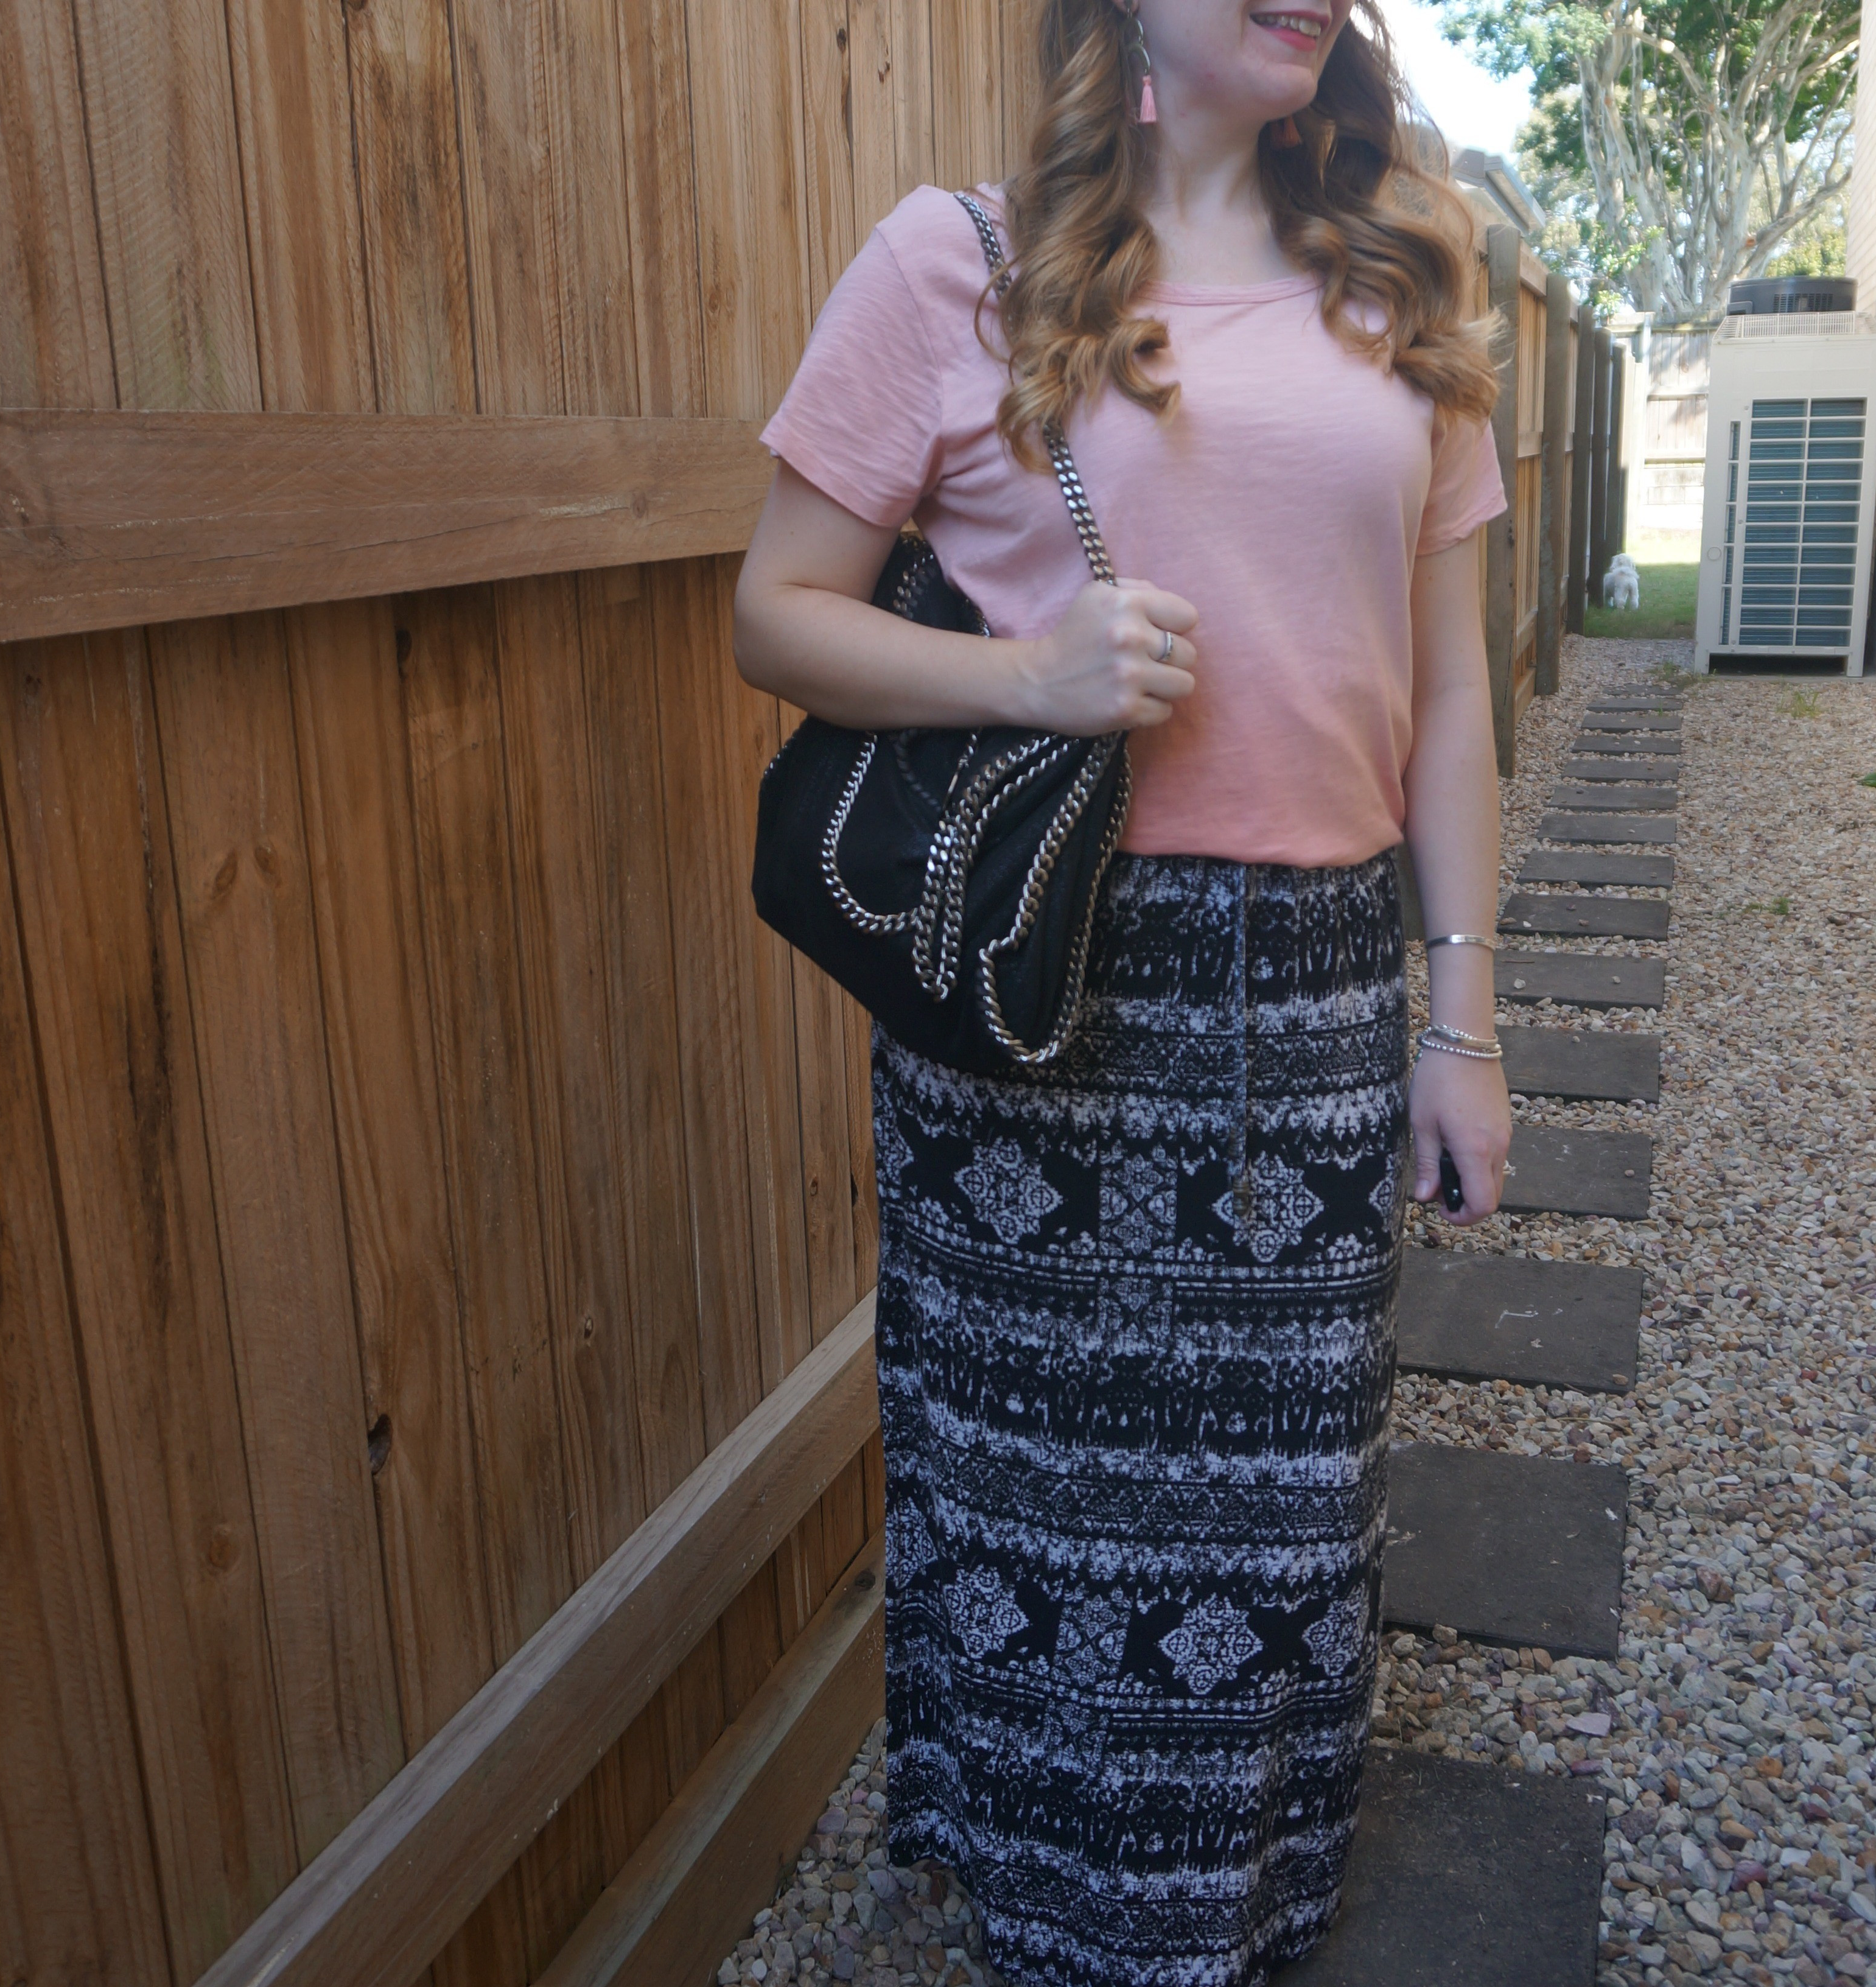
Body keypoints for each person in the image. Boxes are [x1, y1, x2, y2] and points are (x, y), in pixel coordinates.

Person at [734, 1, 1511, 1980]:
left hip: (1324, 1001)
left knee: (1273, 1514)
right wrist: (1030, 676)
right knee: (1033, 1513)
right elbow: (777, 613)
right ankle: (1054, 1919)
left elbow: (1451, 703)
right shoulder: (958, 265)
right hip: (1046, 993)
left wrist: (1464, 1020)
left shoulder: (1410, 283)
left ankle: (1236, 1913)